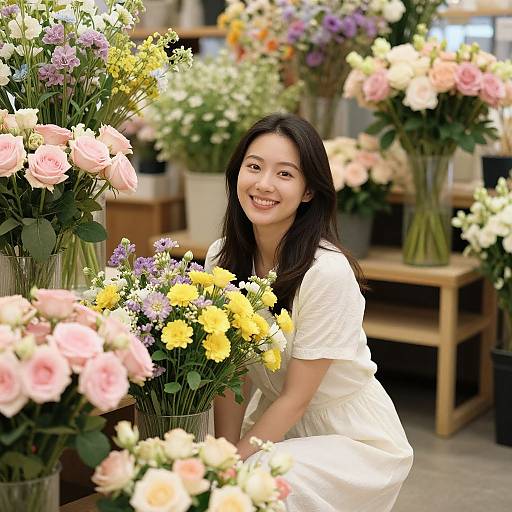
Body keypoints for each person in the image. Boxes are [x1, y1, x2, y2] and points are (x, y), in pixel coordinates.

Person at [204, 113, 413, 511]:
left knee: (255, 485)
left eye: (285, 174)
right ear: (236, 175)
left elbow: (297, 398)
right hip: (276, 422)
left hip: (351, 438)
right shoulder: (222, 257)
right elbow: (230, 377)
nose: (264, 184)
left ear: (307, 191)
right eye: (254, 167)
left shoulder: (326, 273)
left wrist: (233, 465)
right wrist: (224, 451)